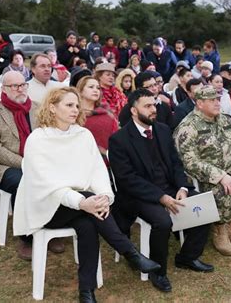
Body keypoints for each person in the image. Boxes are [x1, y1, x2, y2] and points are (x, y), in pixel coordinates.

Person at [13, 87, 161, 302]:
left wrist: (104, 197)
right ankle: (131, 253)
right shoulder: (38, 139)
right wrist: (82, 201)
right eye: (69, 105)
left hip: (83, 206)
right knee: (86, 204)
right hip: (47, 207)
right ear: (52, 108)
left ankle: (86, 291)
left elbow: (98, 171)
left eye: (76, 105)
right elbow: (47, 184)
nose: (75, 109)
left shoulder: (83, 135)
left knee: (89, 224)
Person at [109, 89, 213, 292]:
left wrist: (182, 187)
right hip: (139, 196)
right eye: (147, 106)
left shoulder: (163, 130)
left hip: (170, 188)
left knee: (204, 205)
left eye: (154, 104)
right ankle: (158, 271)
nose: (153, 109)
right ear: (133, 110)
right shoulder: (119, 140)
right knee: (162, 221)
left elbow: (176, 163)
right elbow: (127, 180)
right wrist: (160, 197)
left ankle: (187, 257)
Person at [0, 71, 65, 260]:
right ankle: (27, 236)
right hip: (5, 166)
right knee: (24, 182)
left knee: (56, 180)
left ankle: (50, 226)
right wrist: (25, 163)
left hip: (39, 163)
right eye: (15, 86)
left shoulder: (37, 109)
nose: (20, 89)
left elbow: (50, 138)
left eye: (23, 85)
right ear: (4, 89)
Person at [174, 86, 231, 256]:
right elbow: (189, 162)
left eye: (217, 99)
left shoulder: (225, 120)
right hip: (204, 177)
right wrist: (220, 176)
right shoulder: (187, 127)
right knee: (225, 189)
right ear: (199, 103)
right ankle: (219, 231)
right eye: (212, 100)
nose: (217, 103)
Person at [76, 76, 119, 158]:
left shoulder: (108, 115)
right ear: (80, 91)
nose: (95, 90)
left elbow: (117, 142)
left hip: (105, 164)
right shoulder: (72, 115)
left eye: (98, 88)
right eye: (91, 87)